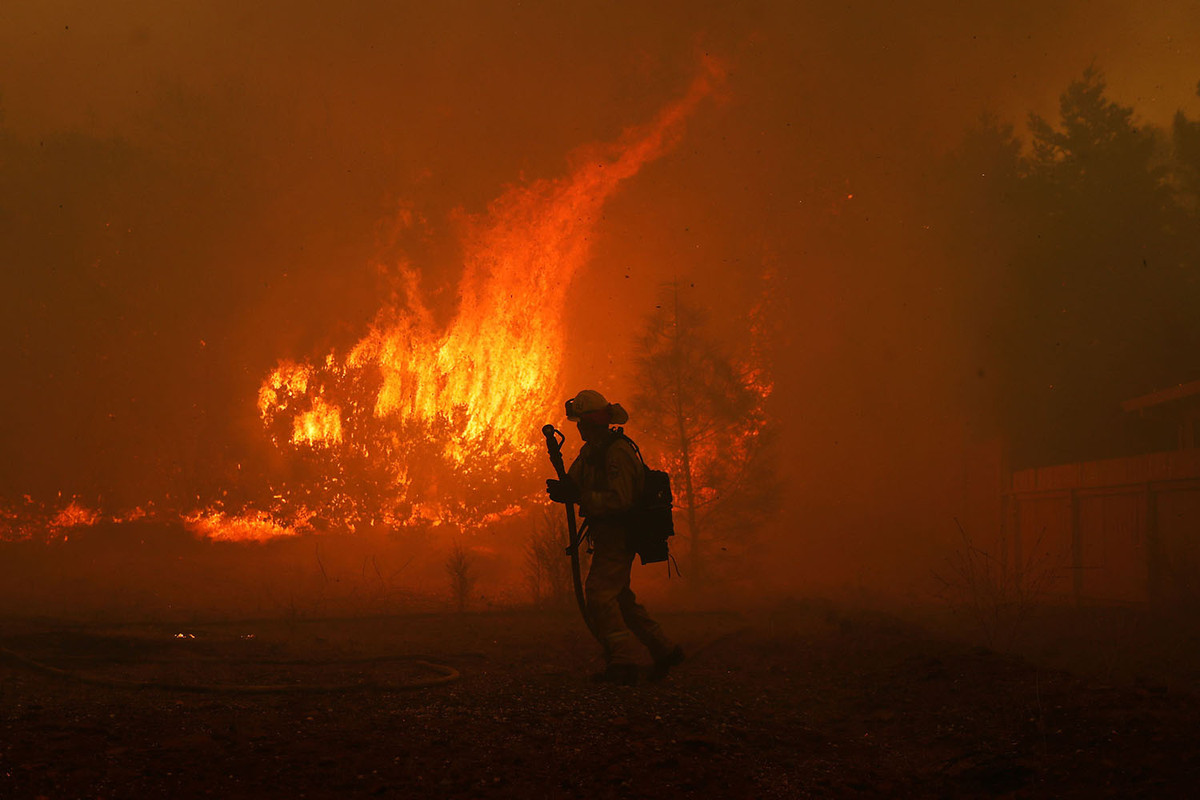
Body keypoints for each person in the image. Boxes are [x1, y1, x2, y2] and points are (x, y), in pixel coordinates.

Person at [546, 389, 684, 685]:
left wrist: (580, 496)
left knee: (598, 595)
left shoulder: (617, 452)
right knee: (620, 598)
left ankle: (623, 661)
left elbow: (621, 500)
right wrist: (564, 490)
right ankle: (664, 649)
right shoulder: (592, 451)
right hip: (606, 534)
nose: (579, 427)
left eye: (582, 421)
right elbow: (576, 481)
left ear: (593, 422)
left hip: (621, 533)